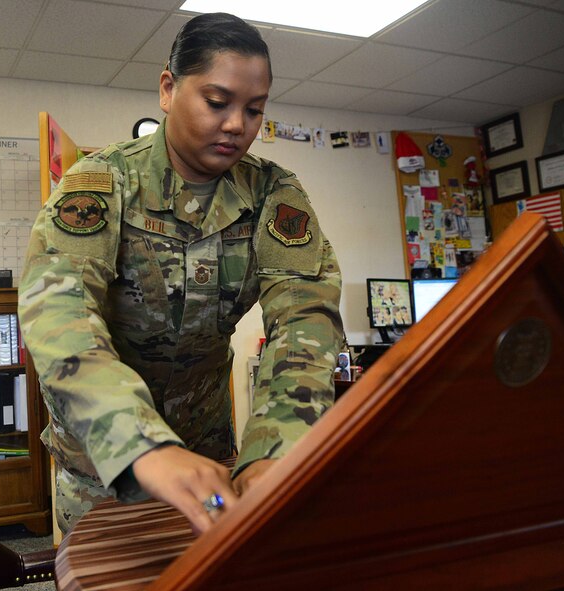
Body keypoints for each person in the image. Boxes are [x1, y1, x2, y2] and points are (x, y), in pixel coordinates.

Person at [18, 12, 344, 536]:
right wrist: (139, 442)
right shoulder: (101, 182)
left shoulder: (273, 192)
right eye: (218, 103)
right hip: (106, 459)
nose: (238, 124)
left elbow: (305, 317)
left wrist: (276, 449)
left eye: (254, 109)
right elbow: (60, 313)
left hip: (207, 448)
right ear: (169, 89)